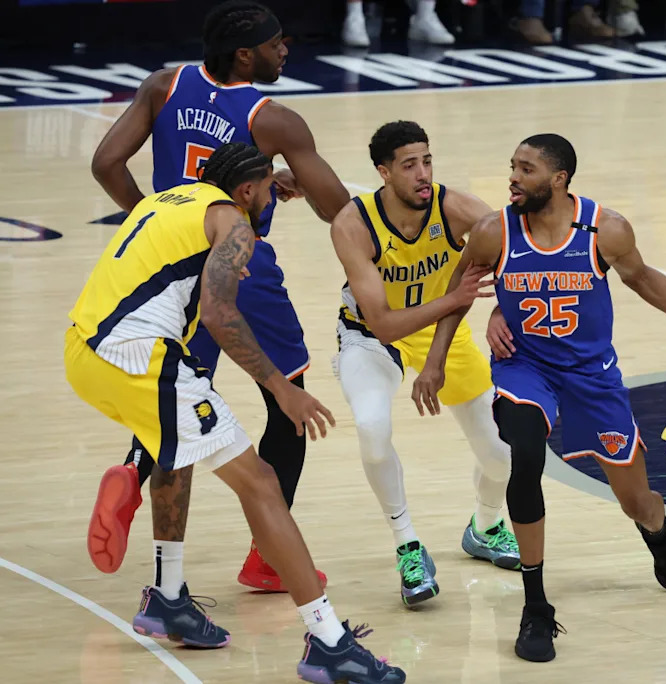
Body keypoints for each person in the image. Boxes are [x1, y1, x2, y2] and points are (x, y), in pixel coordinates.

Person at [412, 133, 666, 662]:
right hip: (525, 369)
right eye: (512, 165)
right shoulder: (493, 232)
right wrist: (438, 359)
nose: (513, 177)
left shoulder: (606, 228)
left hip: (593, 377)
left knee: (635, 501)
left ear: (558, 180)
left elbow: (645, 280)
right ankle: (536, 606)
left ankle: (658, 531)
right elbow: (458, 295)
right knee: (525, 457)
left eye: (526, 169)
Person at [67, 142, 405, 683]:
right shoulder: (236, 226)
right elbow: (221, 314)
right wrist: (281, 387)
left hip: (84, 348)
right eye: (269, 187)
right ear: (247, 191)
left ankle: (168, 597)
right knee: (262, 484)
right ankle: (329, 642)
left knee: (177, 451)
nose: (273, 196)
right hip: (137, 356)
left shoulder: (173, 198)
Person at [87, 0, 350, 616]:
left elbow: (105, 162)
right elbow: (337, 207)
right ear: (244, 54)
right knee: (288, 404)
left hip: (175, 270)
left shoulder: (164, 85)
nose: (286, 50)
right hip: (243, 267)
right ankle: (266, 558)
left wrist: (149, 223)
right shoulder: (273, 118)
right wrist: (295, 174)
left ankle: (132, 470)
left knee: (174, 396)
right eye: (277, 44)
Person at [330, 121, 519, 607]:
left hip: (444, 333)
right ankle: (408, 545)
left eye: (427, 161)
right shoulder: (353, 225)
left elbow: (517, 259)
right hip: (372, 337)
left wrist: (498, 307)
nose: (422, 174)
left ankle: (486, 525)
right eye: (409, 164)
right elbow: (387, 324)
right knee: (372, 430)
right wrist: (455, 296)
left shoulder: (457, 209)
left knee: (502, 455)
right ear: (383, 171)